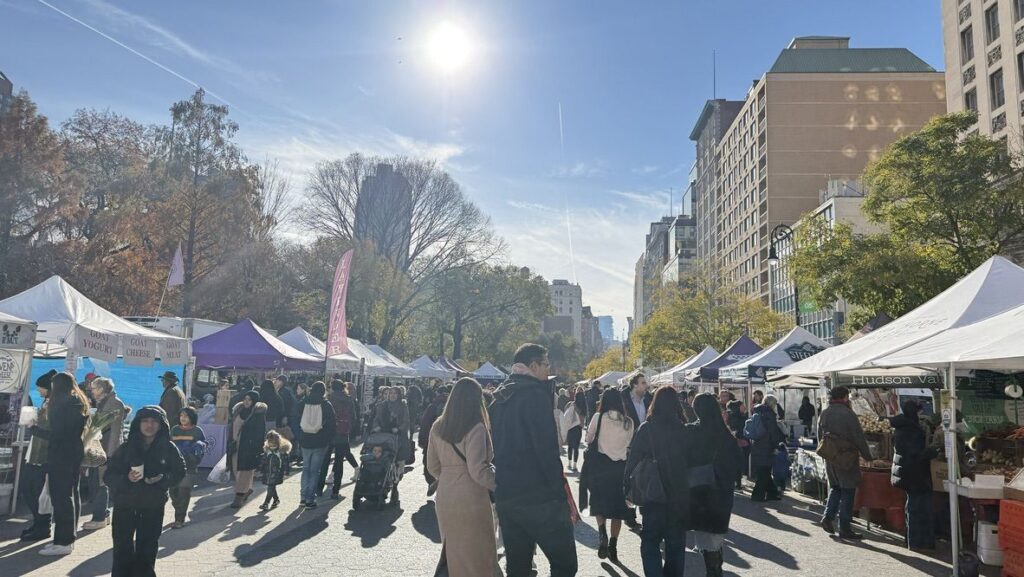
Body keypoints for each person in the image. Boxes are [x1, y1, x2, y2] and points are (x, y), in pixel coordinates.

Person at [491, 343, 577, 577]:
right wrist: (558, 492)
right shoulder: (535, 395)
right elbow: (546, 450)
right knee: (565, 563)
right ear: (533, 365)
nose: (548, 369)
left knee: (517, 567)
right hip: (540, 497)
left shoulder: (500, 395)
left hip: (507, 494)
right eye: (545, 364)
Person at [427, 377, 500, 577]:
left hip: (445, 494)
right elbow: (478, 470)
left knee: (454, 553)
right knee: (478, 556)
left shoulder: (438, 425)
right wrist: (500, 485)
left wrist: (449, 477)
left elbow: (431, 465)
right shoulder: (475, 427)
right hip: (471, 497)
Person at [105, 406, 185, 577]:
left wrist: (162, 479)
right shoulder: (126, 448)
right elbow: (108, 475)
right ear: (138, 424)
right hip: (125, 505)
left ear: (161, 425)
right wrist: (126, 479)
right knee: (122, 549)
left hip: (152, 506)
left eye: (154, 421)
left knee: (147, 550)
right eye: (145, 421)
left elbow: (180, 471)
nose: (149, 425)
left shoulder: (168, 448)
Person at [625, 386, 690, 577]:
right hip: (679, 495)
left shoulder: (647, 428)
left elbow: (633, 461)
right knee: (676, 546)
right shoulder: (683, 429)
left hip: (652, 493)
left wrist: (626, 488)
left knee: (650, 542)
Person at [29, 371, 88, 556]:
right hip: (72, 453)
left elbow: (59, 434)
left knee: (61, 497)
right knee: (66, 496)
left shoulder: (63, 404)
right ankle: (63, 539)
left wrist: (36, 431)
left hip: (61, 455)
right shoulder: (77, 402)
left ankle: (63, 542)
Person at [688, 393, 744, 577]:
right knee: (716, 535)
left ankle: (713, 572)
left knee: (706, 534)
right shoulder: (725, 433)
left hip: (699, 489)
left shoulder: (692, 431)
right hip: (722, 491)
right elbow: (738, 462)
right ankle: (715, 569)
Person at [582, 388, 634, 563]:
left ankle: (602, 532)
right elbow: (628, 444)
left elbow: (589, 439)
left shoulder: (599, 417)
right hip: (620, 467)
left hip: (601, 466)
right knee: (618, 510)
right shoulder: (628, 422)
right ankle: (613, 544)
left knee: (598, 503)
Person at [818, 386, 873, 539]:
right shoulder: (848, 414)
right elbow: (858, 437)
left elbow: (819, 437)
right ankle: (844, 528)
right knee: (848, 492)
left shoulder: (825, 413)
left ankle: (828, 518)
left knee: (835, 488)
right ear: (844, 397)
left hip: (830, 457)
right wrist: (867, 457)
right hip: (846, 457)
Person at [890, 399, 938, 550]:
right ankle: (916, 542)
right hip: (914, 473)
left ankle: (914, 540)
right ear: (915, 413)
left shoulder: (902, 426)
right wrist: (931, 452)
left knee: (913, 506)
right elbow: (915, 453)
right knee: (917, 508)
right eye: (919, 411)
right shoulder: (910, 429)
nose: (921, 414)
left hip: (907, 472)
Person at [83, 377, 128, 531]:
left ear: (102, 389)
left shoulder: (113, 404)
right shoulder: (106, 403)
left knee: (100, 483)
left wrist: (109, 454)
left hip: (106, 450)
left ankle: (99, 517)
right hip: (103, 449)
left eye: (94, 388)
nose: (92, 391)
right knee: (98, 482)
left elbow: (108, 429)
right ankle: (104, 514)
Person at [20, 370, 56, 542]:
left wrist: (33, 427)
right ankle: (38, 522)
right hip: (35, 453)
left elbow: (52, 432)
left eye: (41, 388)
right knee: (30, 489)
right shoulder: (46, 403)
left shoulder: (55, 406)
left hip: (43, 455)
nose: (39, 391)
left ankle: (43, 525)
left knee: (36, 491)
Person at [319, 380, 359, 498]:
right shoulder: (348, 399)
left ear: (331, 387)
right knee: (339, 462)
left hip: (328, 434)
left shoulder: (328, 399)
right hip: (342, 433)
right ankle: (336, 490)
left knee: (325, 461)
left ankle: (319, 488)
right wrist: (348, 429)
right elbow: (354, 417)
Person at [299, 381, 336, 508]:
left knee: (306, 469)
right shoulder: (326, 404)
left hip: (305, 439)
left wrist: (299, 435)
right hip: (320, 441)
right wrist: (326, 438)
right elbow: (332, 424)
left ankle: (303, 497)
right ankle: (310, 499)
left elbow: (294, 416)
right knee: (315, 471)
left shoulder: (303, 402)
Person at [169, 407, 206, 528]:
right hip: (174, 466)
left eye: (186, 416)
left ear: (192, 418)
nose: (183, 418)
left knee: (184, 492)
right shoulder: (174, 430)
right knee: (174, 493)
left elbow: (203, 446)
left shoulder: (197, 431)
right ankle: (179, 509)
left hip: (190, 467)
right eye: (181, 416)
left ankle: (179, 519)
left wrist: (198, 448)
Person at [229, 390, 267, 508]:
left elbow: (260, 433)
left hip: (248, 447)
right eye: (245, 398)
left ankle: (239, 496)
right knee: (237, 471)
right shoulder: (239, 410)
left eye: (249, 399)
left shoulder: (257, 414)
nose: (246, 401)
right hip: (236, 446)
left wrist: (256, 447)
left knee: (244, 472)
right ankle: (247, 489)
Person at [747, 394, 786, 502]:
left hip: (757, 445)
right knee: (764, 473)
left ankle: (772, 493)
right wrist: (776, 445)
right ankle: (757, 495)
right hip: (766, 446)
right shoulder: (770, 414)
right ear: (773, 404)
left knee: (764, 472)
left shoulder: (758, 411)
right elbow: (773, 432)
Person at [372, 385, 411, 472]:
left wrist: (399, 429)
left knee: (399, 459)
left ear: (399, 395)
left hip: (398, 436)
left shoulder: (403, 405)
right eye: (391, 393)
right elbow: (377, 419)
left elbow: (406, 421)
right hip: (384, 435)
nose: (393, 395)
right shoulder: (382, 405)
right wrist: (376, 427)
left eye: (395, 393)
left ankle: (398, 473)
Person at [419, 385, 449, 493]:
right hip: (447, 440)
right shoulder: (453, 407)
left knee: (428, 461)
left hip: (431, 438)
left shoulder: (433, 406)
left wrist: (422, 439)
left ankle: (432, 481)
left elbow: (425, 423)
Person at [260, 430, 291, 510]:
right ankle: (276, 500)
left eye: (274, 443)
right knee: (272, 487)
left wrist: (286, 472)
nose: (272, 445)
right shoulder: (267, 451)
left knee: (270, 487)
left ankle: (266, 503)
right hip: (268, 473)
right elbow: (264, 461)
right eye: (270, 442)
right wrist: (261, 469)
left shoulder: (281, 452)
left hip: (276, 473)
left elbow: (285, 463)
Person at [562, 386, 587, 472]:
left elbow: (566, 412)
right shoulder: (584, 407)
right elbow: (584, 417)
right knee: (576, 447)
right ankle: (575, 465)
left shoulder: (571, 404)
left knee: (570, 446)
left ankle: (569, 462)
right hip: (579, 428)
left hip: (571, 427)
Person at [725, 400, 749, 490]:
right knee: (738, 464)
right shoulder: (735, 417)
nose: (745, 407)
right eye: (743, 406)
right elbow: (736, 430)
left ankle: (737, 482)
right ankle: (737, 483)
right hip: (738, 443)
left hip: (739, 443)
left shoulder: (740, 416)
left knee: (738, 464)